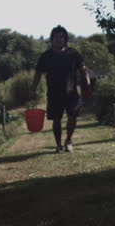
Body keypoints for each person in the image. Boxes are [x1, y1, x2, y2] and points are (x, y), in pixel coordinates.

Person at [30, 25, 91, 153]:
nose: (59, 39)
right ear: (52, 39)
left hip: (71, 92)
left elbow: (83, 70)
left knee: (72, 117)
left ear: (65, 39)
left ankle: (68, 140)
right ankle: (58, 145)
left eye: (62, 37)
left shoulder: (73, 53)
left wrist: (88, 85)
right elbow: (38, 73)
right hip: (54, 93)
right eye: (56, 37)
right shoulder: (46, 56)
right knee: (56, 120)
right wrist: (33, 89)